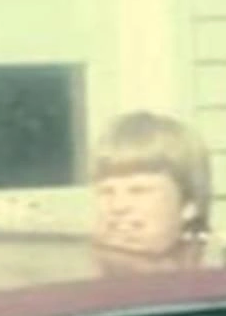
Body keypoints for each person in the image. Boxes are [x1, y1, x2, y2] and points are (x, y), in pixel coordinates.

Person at [88, 111, 215, 268]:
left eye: (138, 191)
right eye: (106, 191)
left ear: (189, 203)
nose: (117, 206)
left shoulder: (215, 279)